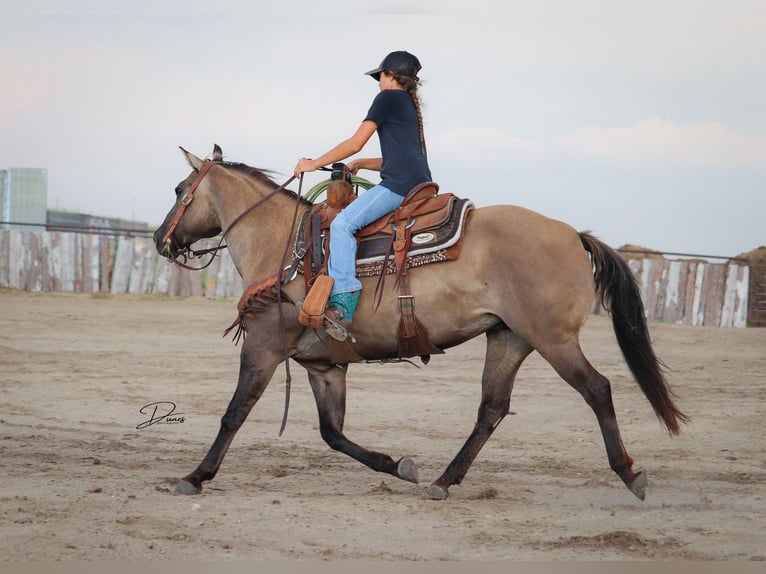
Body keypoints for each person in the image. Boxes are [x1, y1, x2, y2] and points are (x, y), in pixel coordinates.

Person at [294, 50, 432, 336]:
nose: (378, 83)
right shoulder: (407, 104)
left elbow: (355, 142)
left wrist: (313, 163)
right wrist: (361, 165)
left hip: (398, 186)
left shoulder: (387, 98)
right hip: (418, 182)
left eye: (380, 76)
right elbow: (398, 158)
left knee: (344, 224)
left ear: (391, 76)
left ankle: (343, 303)